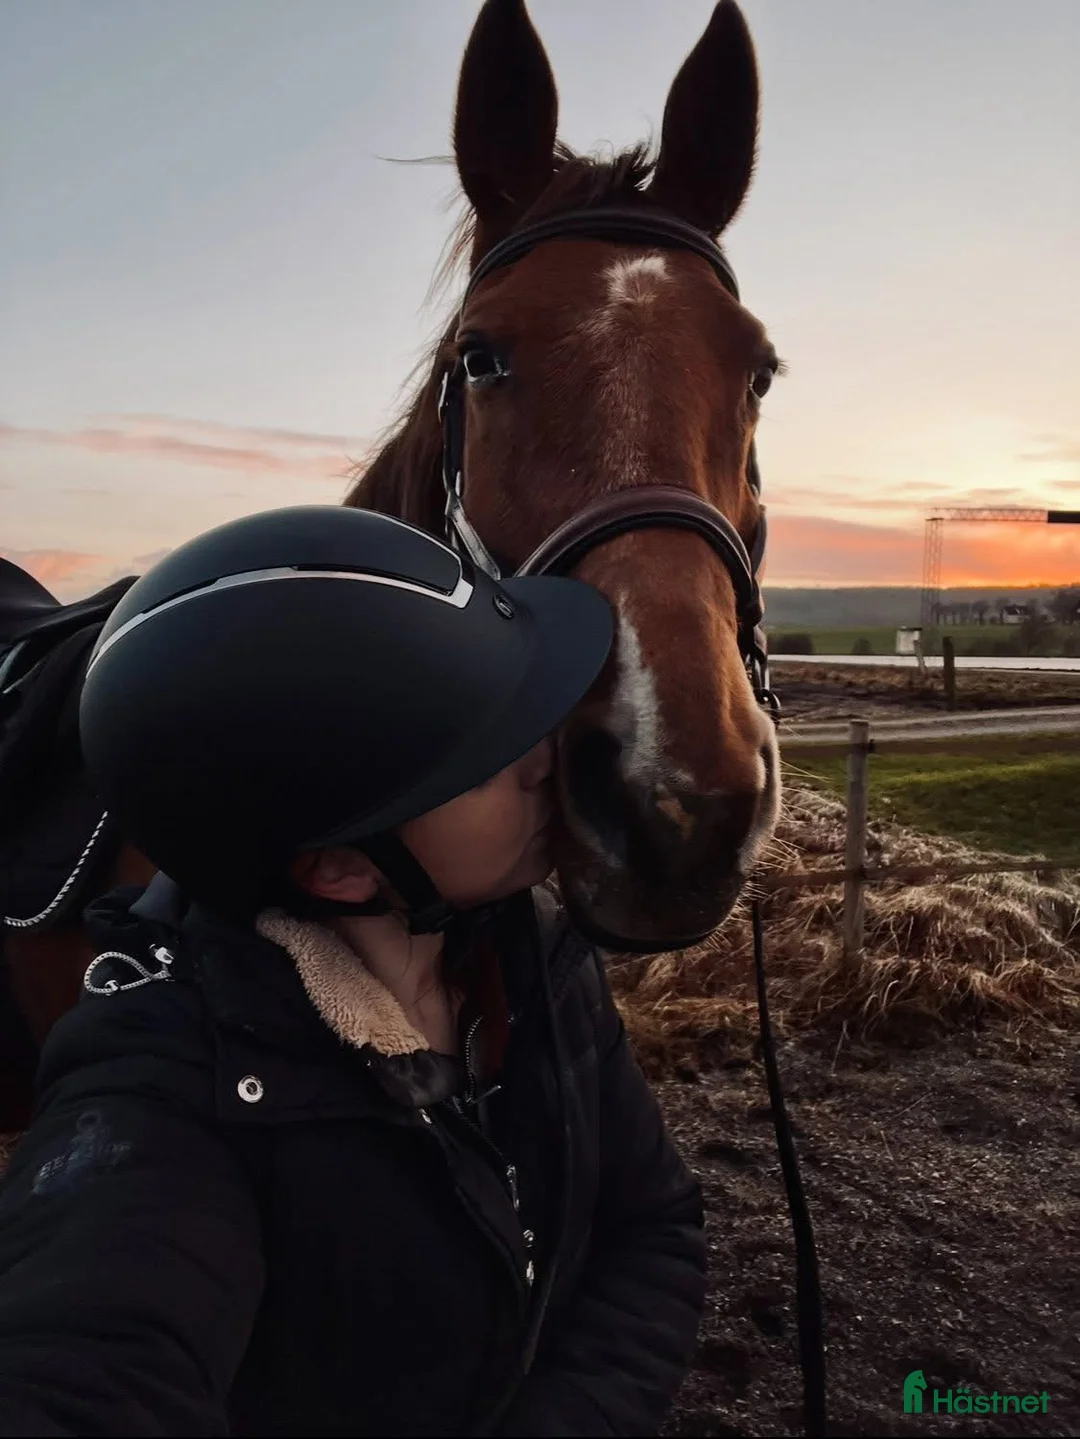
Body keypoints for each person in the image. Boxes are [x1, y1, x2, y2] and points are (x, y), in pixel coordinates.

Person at [0, 505, 706, 1437]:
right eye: (493, 752)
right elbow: (85, 1366)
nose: (549, 761)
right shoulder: (167, 1090)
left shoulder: (534, 956)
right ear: (340, 867)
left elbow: (653, 1226)